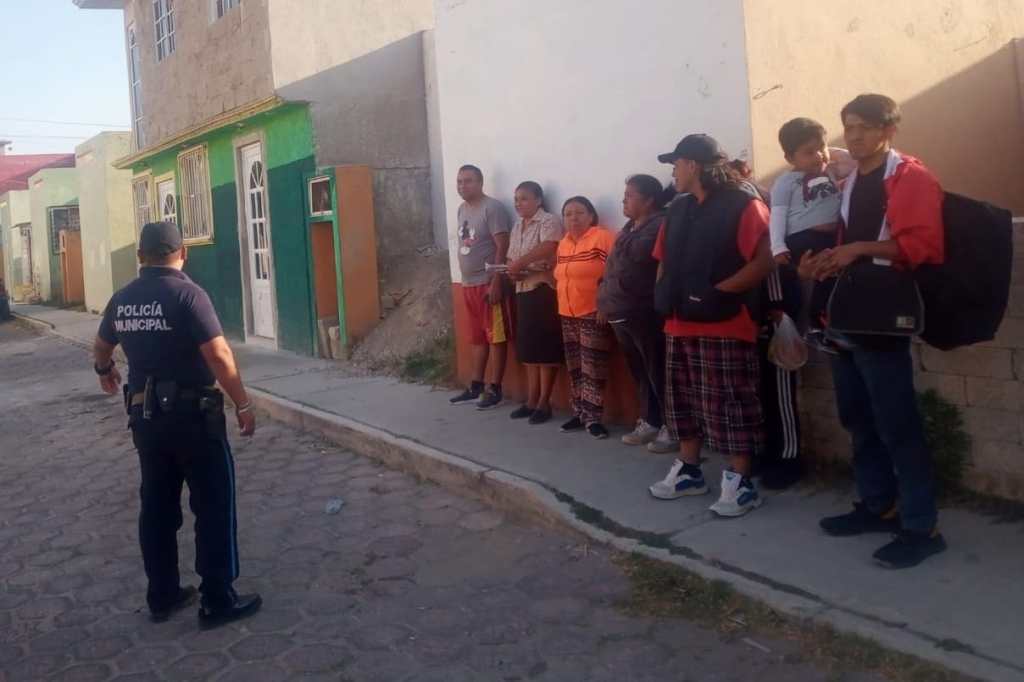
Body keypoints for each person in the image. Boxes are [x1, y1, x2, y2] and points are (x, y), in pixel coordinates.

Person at [92, 221, 262, 629]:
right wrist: (242, 402)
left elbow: (101, 345)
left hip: (146, 422)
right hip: (194, 419)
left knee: (157, 507)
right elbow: (218, 354)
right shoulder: (188, 295)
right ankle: (217, 599)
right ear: (183, 253)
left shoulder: (122, 300)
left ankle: (163, 594)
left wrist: (104, 370)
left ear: (140, 257)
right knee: (213, 504)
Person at [801, 94, 946, 569]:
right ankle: (878, 505)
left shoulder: (910, 177)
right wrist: (825, 262)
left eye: (865, 126)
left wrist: (858, 248)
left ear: (889, 130)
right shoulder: (852, 181)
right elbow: (850, 246)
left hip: (883, 319)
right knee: (858, 418)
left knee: (897, 423)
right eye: (849, 126)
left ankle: (922, 527)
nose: (855, 135)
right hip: (847, 315)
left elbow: (922, 247)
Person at [648, 134, 775, 517]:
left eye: (676, 164)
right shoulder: (678, 208)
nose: (673, 172)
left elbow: (765, 259)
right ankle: (689, 471)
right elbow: (663, 258)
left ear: (694, 165)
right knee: (682, 402)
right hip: (678, 323)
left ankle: (741, 482)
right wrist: (663, 294)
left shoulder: (743, 204)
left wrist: (719, 293)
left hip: (725, 323)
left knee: (729, 403)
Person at [597, 175, 677, 453]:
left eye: (630, 195)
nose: (624, 200)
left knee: (658, 371)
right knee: (640, 372)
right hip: (620, 310)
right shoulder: (630, 227)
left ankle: (672, 427)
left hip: (644, 311)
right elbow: (613, 266)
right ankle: (651, 420)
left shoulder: (658, 224)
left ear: (649, 200)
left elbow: (639, 256)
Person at [449, 165, 514, 410]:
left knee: (495, 336)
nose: (462, 186)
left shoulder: (492, 208)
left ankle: (495, 388)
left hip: (487, 283)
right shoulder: (461, 209)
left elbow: (502, 245)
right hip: (467, 284)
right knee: (477, 337)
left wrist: (497, 280)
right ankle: (476, 385)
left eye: (468, 181)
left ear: (480, 182)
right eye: (459, 181)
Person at [554, 196, 617, 439]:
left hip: (593, 311)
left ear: (591, 216)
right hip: (567, 312)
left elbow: (614, 274)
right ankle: (579, 412)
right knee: (575, 366)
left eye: (579, 213)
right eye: (568, 214)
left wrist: (605, 305)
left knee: (593, 367)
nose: (574, 218)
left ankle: (593, 418)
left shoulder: (602, 237)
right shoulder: (564, 243)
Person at [505, 181, 563, 424]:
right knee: (528, 347)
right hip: (523, 289)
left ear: (538, 200)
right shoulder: (517, 225)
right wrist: (514, 270)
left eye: (524, 198)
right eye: (516, 199)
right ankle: (531, 400)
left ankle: (544, 403)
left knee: (545, 348)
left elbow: (549, 247)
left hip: (543, 290)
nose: (518, 203)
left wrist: (522, 263)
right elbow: (512, 257)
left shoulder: (549, 221)